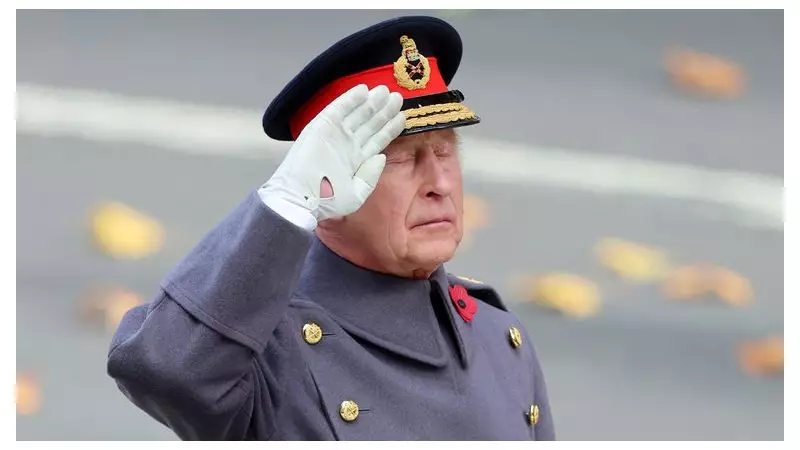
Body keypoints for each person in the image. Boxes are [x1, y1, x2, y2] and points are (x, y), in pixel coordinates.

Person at [107, 15, 555, 441]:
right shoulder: (268, 348)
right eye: (401, 157)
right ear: (331, 184)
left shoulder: (498, 338)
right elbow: (162, 370)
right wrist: (286, 203)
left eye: (445, 152)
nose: (439, 183)